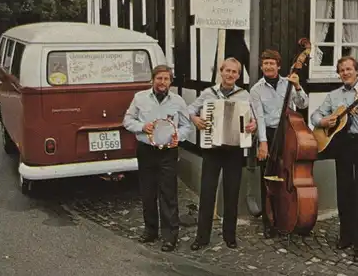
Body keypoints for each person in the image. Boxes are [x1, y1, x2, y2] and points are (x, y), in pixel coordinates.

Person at [310, 56, 358, 262]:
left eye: (349, 69)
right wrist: (323, 120)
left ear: (357, 72)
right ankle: (346, 236)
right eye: (342, 70)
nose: (345, 73)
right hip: (341, 145)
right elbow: (315, 115)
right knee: (344, 191)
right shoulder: (334, 96)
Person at [187, 57, 257, 250]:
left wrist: (253, 125)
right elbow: (189, 109)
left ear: (238, 75)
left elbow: (254, 120)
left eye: (234, 72)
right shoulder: (208, 93)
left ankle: (230, 236)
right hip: (212, 149)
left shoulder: (244, 95)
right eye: (228, 71)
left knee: (232, 193)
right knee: (207, 193)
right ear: (221, 71)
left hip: (234, 151)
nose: (230, 75)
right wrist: (195, 119)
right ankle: (201, 238)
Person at [123, 65, 192, 252]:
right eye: (159, 78)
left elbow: (187, 126)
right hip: (146, 150)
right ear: (153, 79)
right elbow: (127, 120)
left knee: (168, 194)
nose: (163, 82)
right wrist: (142, 127)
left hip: (168, 153)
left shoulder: (178, 101)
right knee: (148, 192)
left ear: (171, 81)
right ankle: (150, 231)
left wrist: (179, 136)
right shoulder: (140, 98)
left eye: (166, 79)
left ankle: (170, 236)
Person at [249, 49, 309, 239]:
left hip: (289, 132)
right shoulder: (256, 89)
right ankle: (269, 223)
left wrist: (298, 87)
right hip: (268, 133)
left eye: (272, 63)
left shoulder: (288, 83)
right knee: (267, 180)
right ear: (261, 67)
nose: (268, 66)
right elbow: (259, 116)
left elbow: (303, 104)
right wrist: (263, 143)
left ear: (278, 66)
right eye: (265, 63)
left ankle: (289, 216)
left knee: (288, 177)